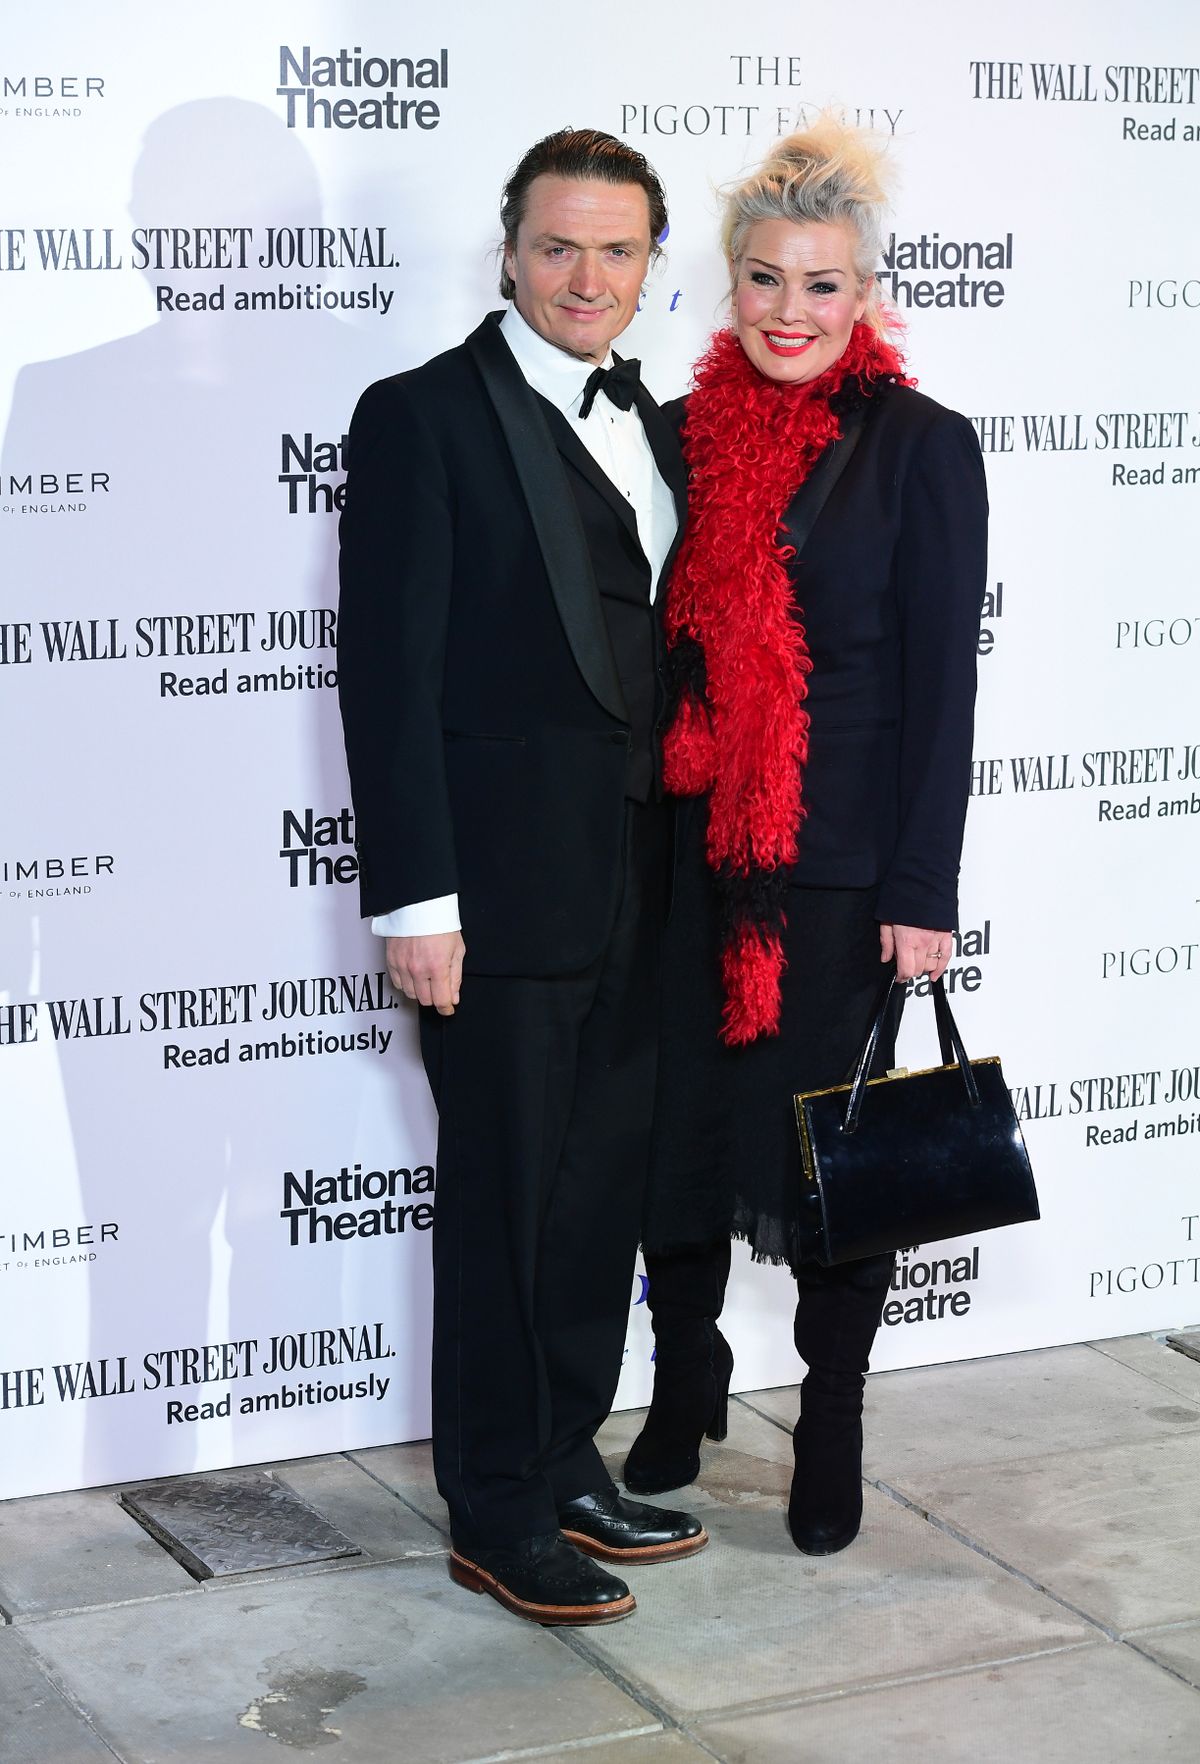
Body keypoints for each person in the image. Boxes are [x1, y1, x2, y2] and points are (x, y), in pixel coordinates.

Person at [337, 129, 705, 1626]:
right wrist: (417, 901)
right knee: (503, 1203)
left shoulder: (662, 428)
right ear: (507, 251)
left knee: (596, 1193)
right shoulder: (421, 417)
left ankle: (564, 1458)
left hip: (643, 883)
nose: (586, 278)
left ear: (647, 269)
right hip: (490, 901)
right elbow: (384, 673)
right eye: (559, 246)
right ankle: (492, 1505)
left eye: (616, 251)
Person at [623, 120, 988, 1556]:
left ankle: (830, 1410)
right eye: (766, 280)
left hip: (834, 878)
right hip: (685, 855)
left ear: (866, 294)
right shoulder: (675, 434)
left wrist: (921, 889)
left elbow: (942, 690)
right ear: (730, 282)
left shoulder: (921, 449)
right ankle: (687, 1370)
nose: (790, 313)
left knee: (834, 1164)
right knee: (677, 1141)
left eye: (821, 286)